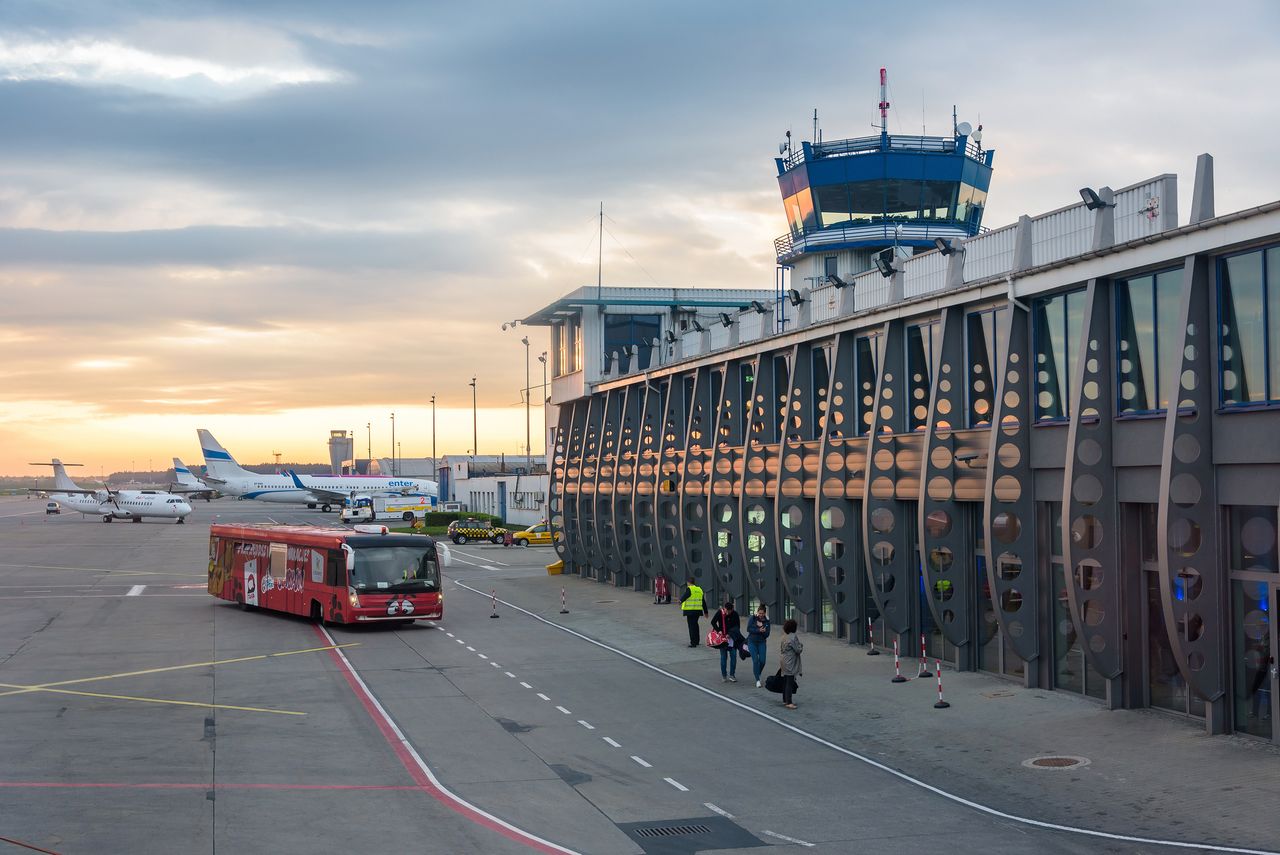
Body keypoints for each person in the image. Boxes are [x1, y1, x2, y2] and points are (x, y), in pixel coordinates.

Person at [710, 600, 741, 682]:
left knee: (733, 656)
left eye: (729, 611)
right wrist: (718, 630)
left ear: (732, 610)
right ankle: (724, 675)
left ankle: (732, 675)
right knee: (723, 658)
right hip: (722, 638)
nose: (727, 612)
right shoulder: (720, 613)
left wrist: (730, 634)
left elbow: (737, 627)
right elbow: (713, 622)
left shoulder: (735, 614)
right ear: (724, 608)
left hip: (732, 638)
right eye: (726, 610)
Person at [779, 618, 803, 709]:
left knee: (785, 680)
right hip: (790, 661)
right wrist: (801, 645)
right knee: (789, 681)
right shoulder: (793, 637)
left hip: (783, 660)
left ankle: (785, 699)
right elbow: (798, 650)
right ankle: (789, 702)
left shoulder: (784, 636)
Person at [746, 604, 771, 687]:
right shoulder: (753, 618)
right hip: (752, 642)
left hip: (761, 642)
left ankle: (758, 672)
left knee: (763, 661)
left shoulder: (767, 621)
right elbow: (748, 629)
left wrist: (763, 631)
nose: (761, 615)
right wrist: (758, 630)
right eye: (759, 613)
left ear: (765, 613)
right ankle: (757, 680)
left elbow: (767, 634)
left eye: (762, 613)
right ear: (757, 612)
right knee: (755, 660)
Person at [680, 577, 707, 647]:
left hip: (690, 611)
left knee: (691, 627)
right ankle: (697, 641)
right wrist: (706, 612)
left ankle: (693, 643)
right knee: (695, 625)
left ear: (688, 582)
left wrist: (680, 601)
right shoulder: (699, 589)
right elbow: (703, 602)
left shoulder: (689, 589)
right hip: (698, 611)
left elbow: (685, 596)